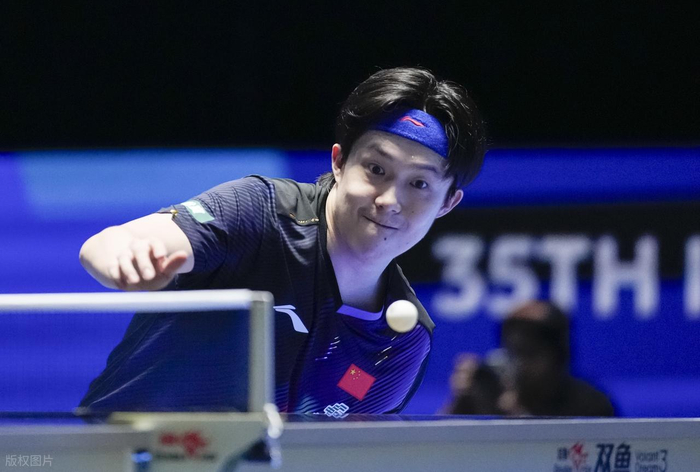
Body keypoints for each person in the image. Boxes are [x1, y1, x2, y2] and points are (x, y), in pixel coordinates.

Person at [78, 67, 487, 415]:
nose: (389, 201)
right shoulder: (260, 213)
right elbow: (118, 241)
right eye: (376, 169)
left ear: (447, 203)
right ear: (339, 162)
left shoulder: (401, 342)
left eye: (419, 184)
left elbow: (351, 454)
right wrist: (127, 258)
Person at [446, 301, 614, 417]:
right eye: (511, 351)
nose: (518, 363)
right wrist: (461, 402)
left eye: (528, 353)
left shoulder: (590, 405)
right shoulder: (489, 392)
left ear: (557, 356)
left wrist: (517, 417)